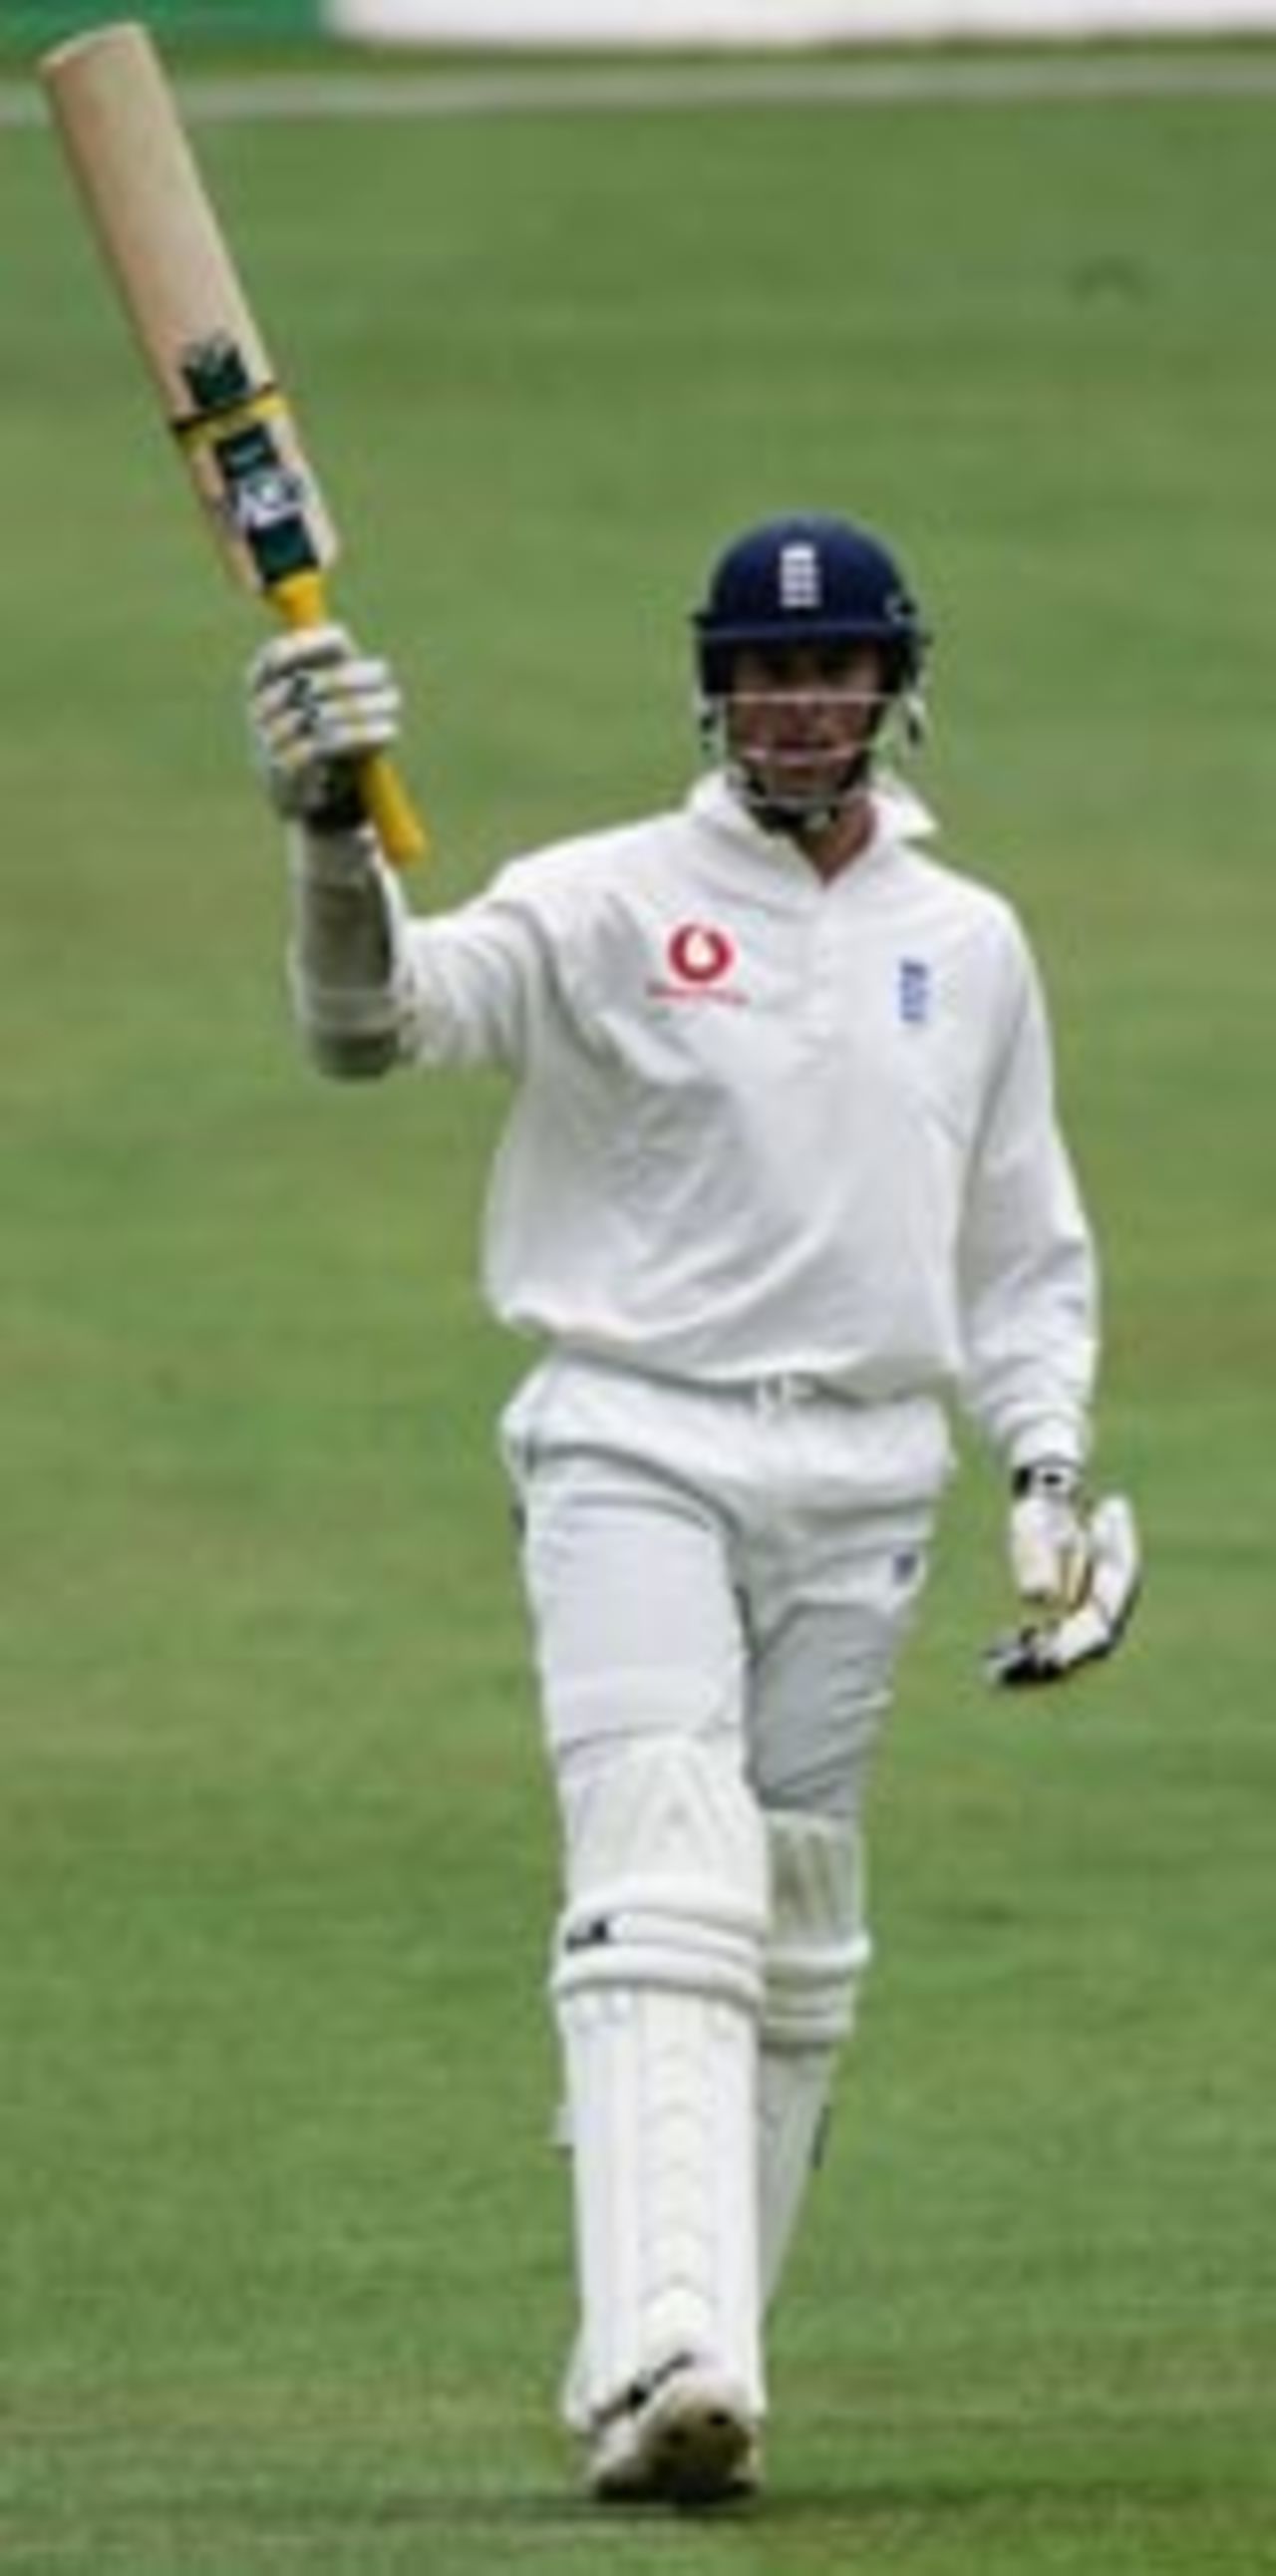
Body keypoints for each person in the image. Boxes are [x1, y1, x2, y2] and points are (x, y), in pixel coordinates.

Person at [246, 512, 1139, 2510]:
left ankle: (667, 2384)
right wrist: (323, 834)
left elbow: (1023, 1247)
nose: (797, 703)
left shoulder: (965, 941)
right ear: (710, 688)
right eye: (761, 672)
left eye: (830, 673)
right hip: (633, 1436)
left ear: (893, 686)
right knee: (664, 1865)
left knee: (800, 1913)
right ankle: (673, 2344)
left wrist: (1051, 1466)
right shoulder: (605, 900)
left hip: (868, 1468)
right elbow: (371, 1022)